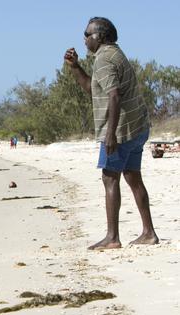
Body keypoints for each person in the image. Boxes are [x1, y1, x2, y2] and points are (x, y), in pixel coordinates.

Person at [64, 17, 159, 250]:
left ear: (101, 36)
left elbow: (114, 95)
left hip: (122, 129)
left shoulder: (104, 59)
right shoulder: (112, 53)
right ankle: (148, 233)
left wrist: (111, 134)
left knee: (109, 176)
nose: (84, 38)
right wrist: (76, 68)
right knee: (132, 176)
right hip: (138, 126)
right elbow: (93, 89)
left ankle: (112, 237)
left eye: (88, 34)